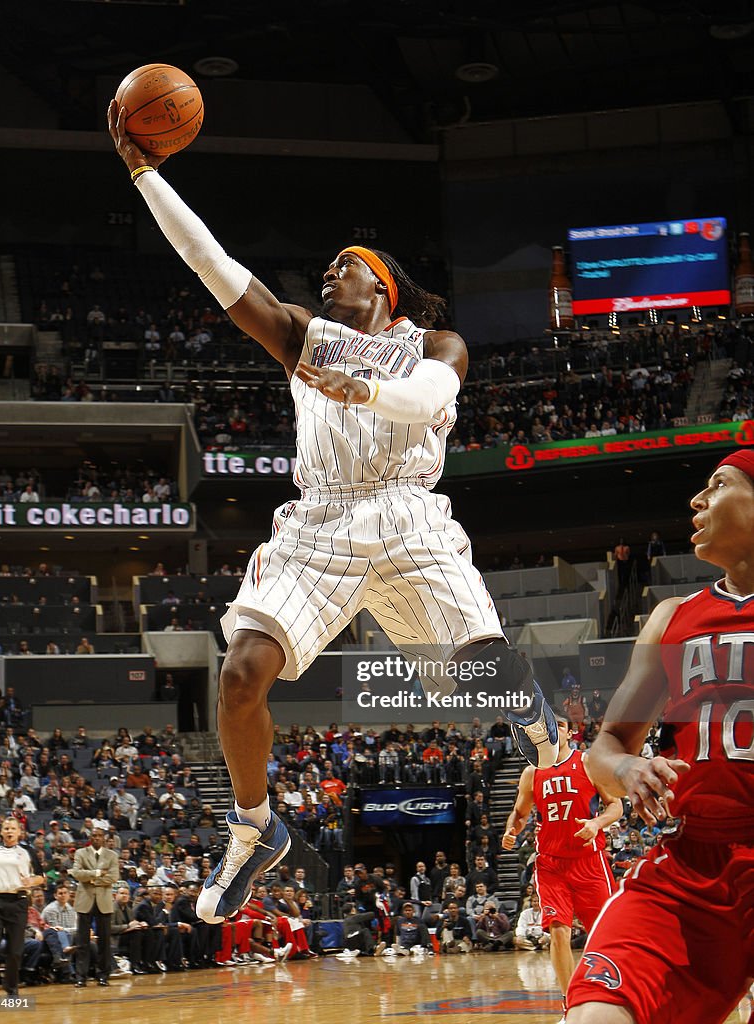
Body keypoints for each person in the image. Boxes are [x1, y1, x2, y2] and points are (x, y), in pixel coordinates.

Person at [108, 102, 559, 925]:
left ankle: (541, 727)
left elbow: (428, 395)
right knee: (241, 675)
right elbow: (215, 268)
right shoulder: (301, 337)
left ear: (381, 288)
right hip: (319, 524)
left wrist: (368, 389)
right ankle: (255, 828)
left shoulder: (434, 344)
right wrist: (147, 175)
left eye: (342, 267)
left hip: (407, 518)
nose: (326, 276)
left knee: (483, 677)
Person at [567, 450, 754, 1024]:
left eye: (717, 485)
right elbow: (606, 748)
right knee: (597, 1015)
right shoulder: (673, 617)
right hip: (693, 867)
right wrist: (625, 771)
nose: (696, 501)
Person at [503, 711, 621, 1022]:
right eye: (548, 725)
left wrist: (597, 823)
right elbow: (520, 812)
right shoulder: (532, 773)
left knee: (604, 935)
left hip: (589, 861)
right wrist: (511, 830)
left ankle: (613, 996)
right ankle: (571, 1008)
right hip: (551, 864)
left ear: (570, 732)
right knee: (558, 931)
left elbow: (616, 805)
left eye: (561, 725)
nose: (554, 729)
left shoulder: (587, 763)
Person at [0, 817, 46, 996]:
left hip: (18, 901)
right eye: (6, 828)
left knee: (15, 949)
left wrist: (30, 881)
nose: (10, 831)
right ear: (1, 832)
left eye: (13, 828)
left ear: (19, 832)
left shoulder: (28, 851)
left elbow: (41, 877)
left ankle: (11, 989)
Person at [70, 826, 119, 987]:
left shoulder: (112, 855)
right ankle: (81, 976)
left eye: (99, 835)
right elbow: (76, 873)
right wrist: (98, 873)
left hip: (104, 903)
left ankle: (103, 975)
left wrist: (90, 879)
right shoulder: (80, 853)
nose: (96, 838)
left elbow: (113, 877)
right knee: (82, 941)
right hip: (85, 901)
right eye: (94, 835)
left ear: (104, 838)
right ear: (90, 837)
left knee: (104, 941)